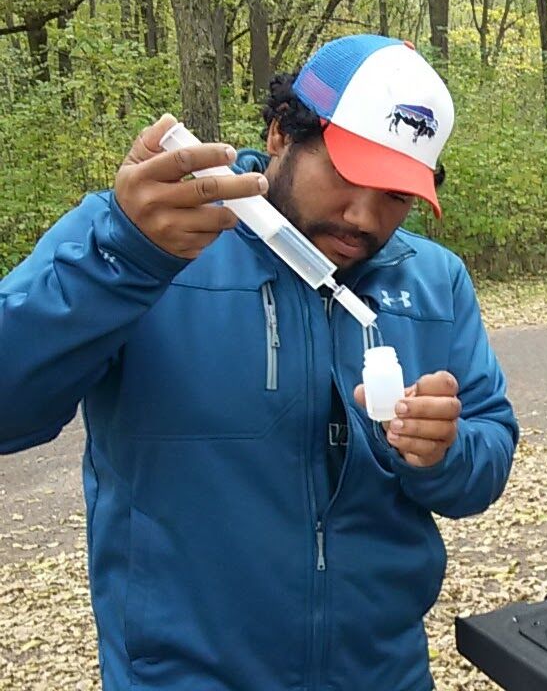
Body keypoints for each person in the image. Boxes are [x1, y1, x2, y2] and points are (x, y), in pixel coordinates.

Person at [0, 34, 518, 690]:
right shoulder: (145, 239)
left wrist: (444, 451)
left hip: (384, 674)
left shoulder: (435, 281)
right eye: (349, 174)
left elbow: (488, 455)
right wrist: (121, 260)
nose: (363, 216)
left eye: (395, 195)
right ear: (280, 134)